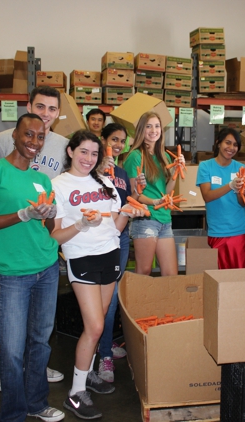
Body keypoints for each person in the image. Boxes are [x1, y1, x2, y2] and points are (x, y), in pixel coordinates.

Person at [0, 114, 64, 422]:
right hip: (12, 273)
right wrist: (21, 214)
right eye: (28, 134)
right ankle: (12, 414)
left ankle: (37, 404)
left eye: (40, 137)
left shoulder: (43, 179)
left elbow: (49, 225)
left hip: (47, 267)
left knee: (40, 342)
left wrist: (46, 214)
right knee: (10, 351)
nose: (33, 142)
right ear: (14, 134)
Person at [50, 130, 144, 420]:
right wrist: (80, 224)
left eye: (94, 153)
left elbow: (114, 228)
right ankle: (75, 394)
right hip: (82, 258)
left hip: (110, 255)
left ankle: (87, 372)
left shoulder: (105, 183)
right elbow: (55, 236)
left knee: (100, 325)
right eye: (83, 152)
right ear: (70, 152)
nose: (88, 159)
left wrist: (127, 211)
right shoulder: (58, 184)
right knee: (94, 327)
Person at [0, 85, 67, 389]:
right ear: (29, 105)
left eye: (52, 110)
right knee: (9, 321)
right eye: (41, 107)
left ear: (58, 115)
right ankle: (3, 363)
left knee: (39, 325)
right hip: (10, 252)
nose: (46, 115)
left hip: (42, 249)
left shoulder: (62, 146)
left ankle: (36, 369)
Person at [123, 111, 183, 276]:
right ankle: (134, 303)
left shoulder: (163, 156)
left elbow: (167, 191)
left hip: (164, 219)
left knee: (171, 273)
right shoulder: (135, 156)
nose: (153, 130)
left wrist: (177, 171)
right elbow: (134, 195)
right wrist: (154, 201)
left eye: (157, 126)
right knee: (144, 270)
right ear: (141, 129)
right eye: (148, 126)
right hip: (145, 219)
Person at [97, 123, 132, 383]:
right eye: (114, 139)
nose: (118, 145)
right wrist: (100, 169)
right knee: (104, 303)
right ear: (103, 140)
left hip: (121, 238)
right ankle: (103, 355)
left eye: (122, 141)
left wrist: (138, 195)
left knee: (114, 297)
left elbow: (127, 202)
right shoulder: (92, 168)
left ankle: (105, 346)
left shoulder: (122, 171)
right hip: (98, 240)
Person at [196, 128, 245, 269]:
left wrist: (242, 192)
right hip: (217, 231)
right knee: (220, 277)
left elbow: (242, 203)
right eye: (228, 143)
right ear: (218, 143)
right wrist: (230, 185)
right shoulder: (205, 166)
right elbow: (207, 196)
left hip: (240, 230)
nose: (231, 148)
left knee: (239, 276)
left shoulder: (241, 168)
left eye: (235, 145)